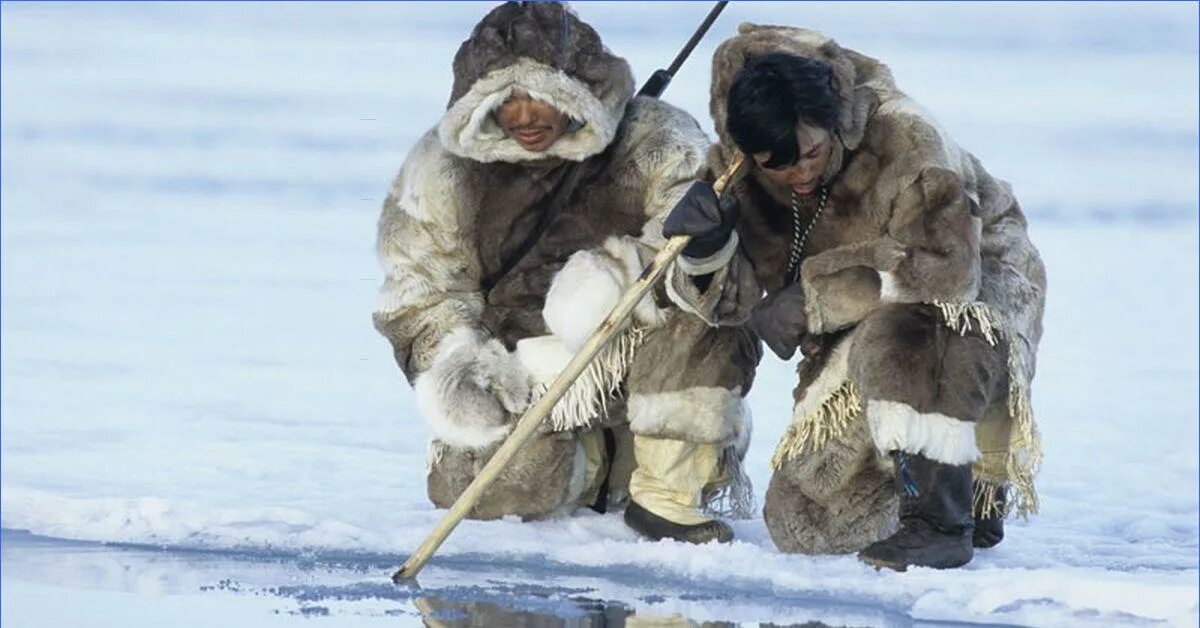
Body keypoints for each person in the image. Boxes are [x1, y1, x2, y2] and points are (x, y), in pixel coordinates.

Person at [372, 2, 760, 544]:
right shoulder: (443, 167)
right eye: (506, 98)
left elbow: (721, 290)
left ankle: (669, 489)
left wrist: (702, 247)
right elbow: (419, 290)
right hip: (523, 373)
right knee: (489, 494)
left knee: (702, 323)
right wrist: (462, 369)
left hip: (630, 346)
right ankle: (603, 461)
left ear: (577, 90)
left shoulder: (656, 141)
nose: (524, 115)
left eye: (541, 95)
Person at [663, 24, 1046, 570]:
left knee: (919, 329)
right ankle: (920, 477)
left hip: (975, 277)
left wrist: (812, 299)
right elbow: (728, 306)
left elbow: (946, 273)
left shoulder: (907, 140)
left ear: (832, 122)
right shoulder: (734, 170)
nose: (800, 173)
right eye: (779, 163)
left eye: (811, 153)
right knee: (808, 525)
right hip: (862, 305)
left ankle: (948, 515)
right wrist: (705, 248)